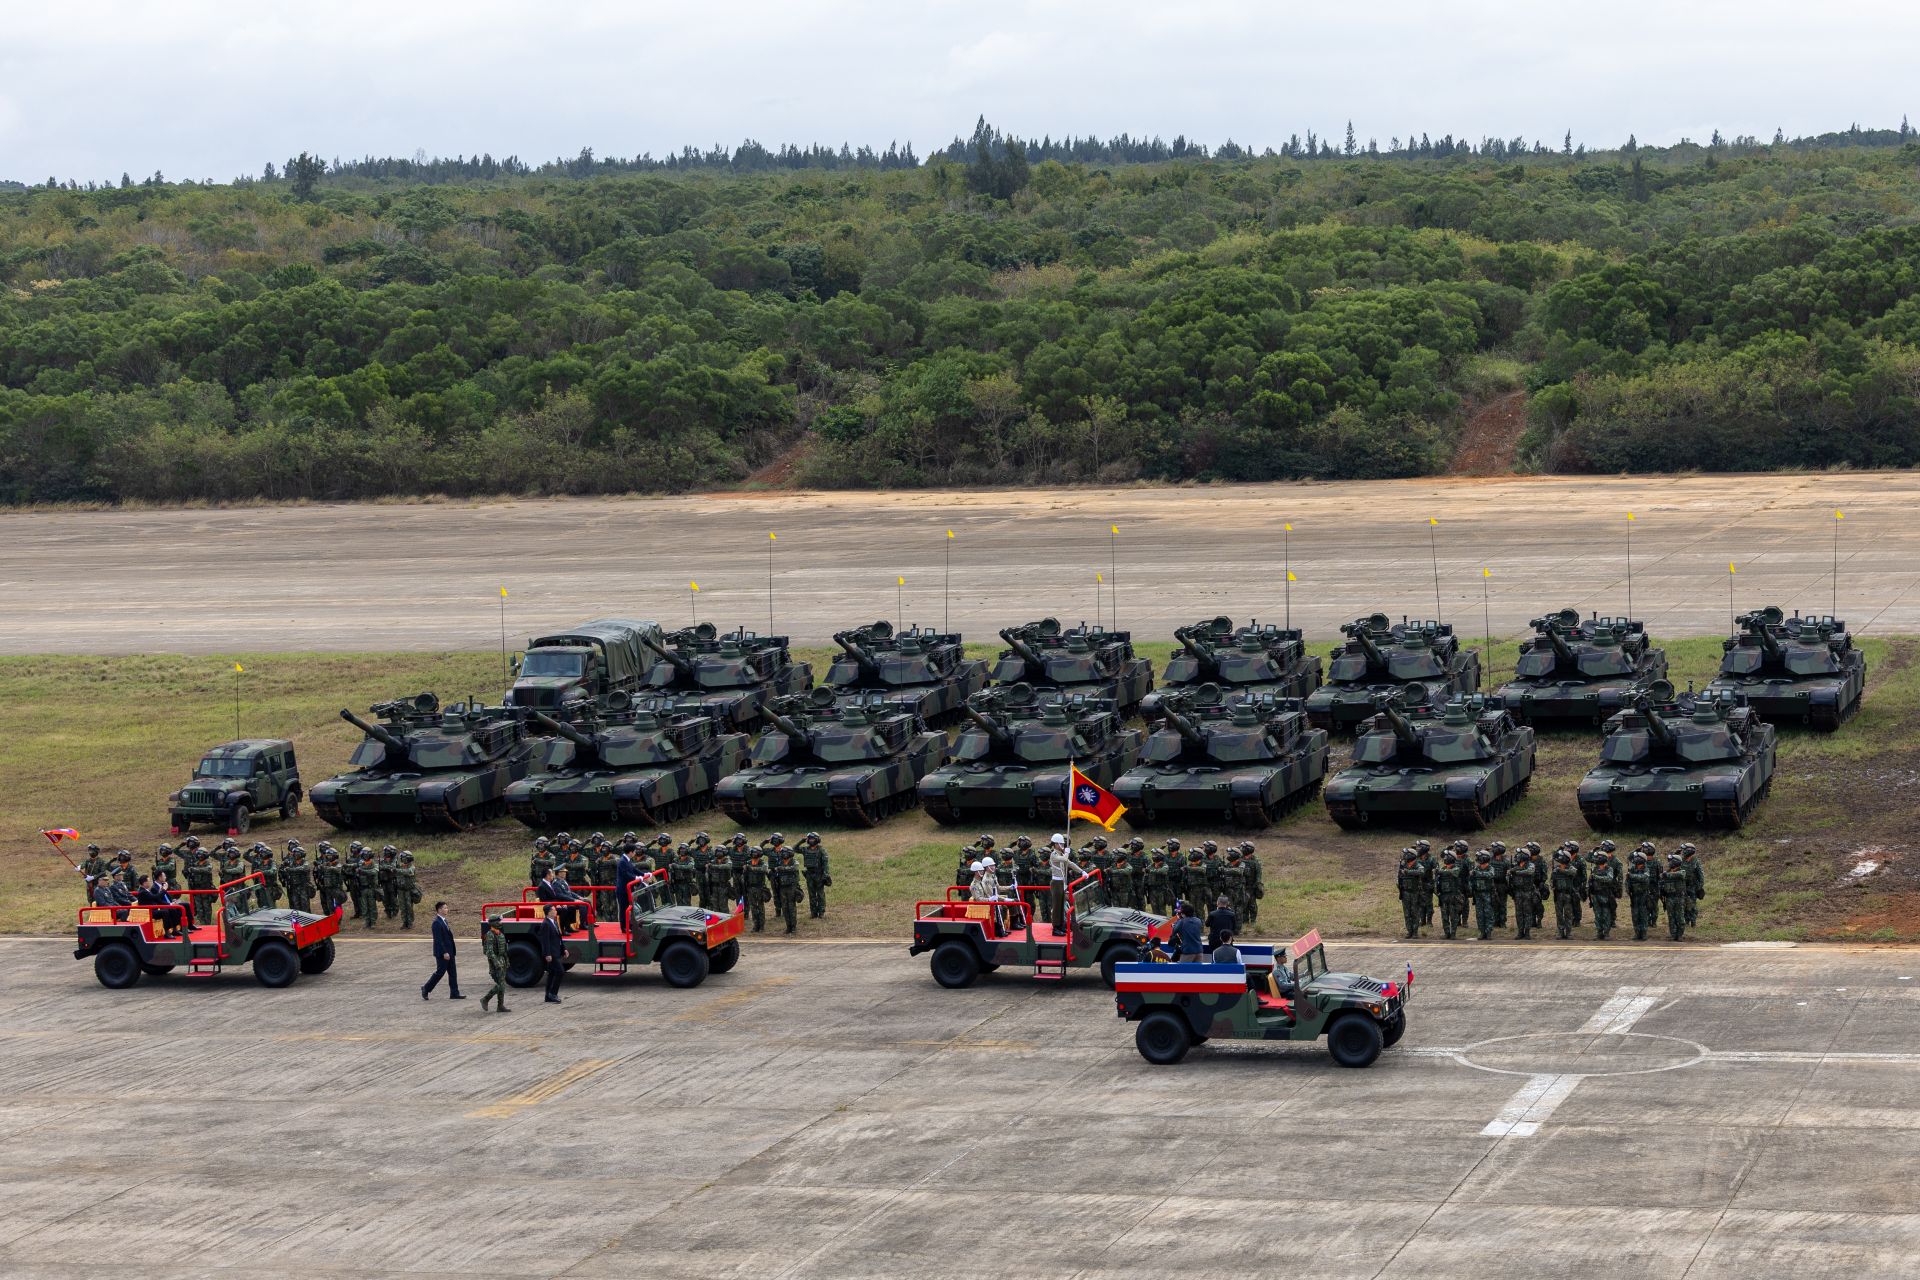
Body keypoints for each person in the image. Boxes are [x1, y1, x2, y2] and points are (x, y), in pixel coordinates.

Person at [422, 901, 463, 1000]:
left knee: (453, 973)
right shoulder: (436, 922)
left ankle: (454, 993)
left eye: (446, 908)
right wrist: (444, 952)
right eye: (445, 908)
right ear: (439, 910)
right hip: (443, 953)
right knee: (440, 972)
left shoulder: (444, 921)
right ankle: (426, 988)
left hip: (450, 951)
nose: (447, 909)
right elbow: (438, 940)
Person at [1047, 834, 1086, 929]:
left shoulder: (1061, 854)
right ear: (1056, 844)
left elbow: (1070, 863)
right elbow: (1065, 859)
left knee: (1061, 906)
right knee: (1057, 906)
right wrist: (1067, 852)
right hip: (1056, 883)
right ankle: (1056, 927)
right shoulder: (1054, 855)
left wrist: (1082, 871)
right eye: (1060, 844)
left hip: (1061, 883)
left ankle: (1060, 925)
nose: (1062, 845)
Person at [479, 917, 510, 1013]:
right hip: (495, 962)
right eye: (498, 921)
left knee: (501, 984)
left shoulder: (500, 934)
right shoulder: (490, 935)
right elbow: (489, 951)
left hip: (502, 961)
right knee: (501, 985)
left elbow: (504, 950)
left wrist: (506, 960)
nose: (500, 923)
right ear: (494, 923)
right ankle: (485, 999)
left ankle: (500, 1006)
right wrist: (496, 962)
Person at [538, 905, 565, 1003]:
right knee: (560, 971)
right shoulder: (545, 924)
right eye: (554, 910)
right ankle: (553, 993)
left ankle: (548, 996)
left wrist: (564, 949)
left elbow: (559, 937)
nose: (556, 911)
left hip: (557, 951)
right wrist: (547, 954)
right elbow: (545, 941)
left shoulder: (554, 922)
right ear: (549, 912)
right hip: (551, 953)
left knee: (552, 973)